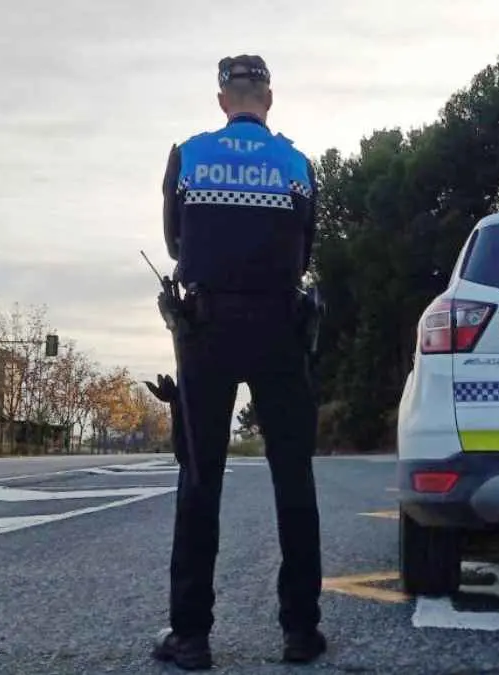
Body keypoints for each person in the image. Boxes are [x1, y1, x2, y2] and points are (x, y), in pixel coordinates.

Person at [150, 54, 325, 671]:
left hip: (208, 327)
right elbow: (304, 251)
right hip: (280, 324)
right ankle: (301, 632)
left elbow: (175, 242)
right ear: (268, 100)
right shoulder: (298, 164)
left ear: (224, 100)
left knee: (200, 479)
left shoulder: (190, 156)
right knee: (293, 478)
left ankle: (192, 637)